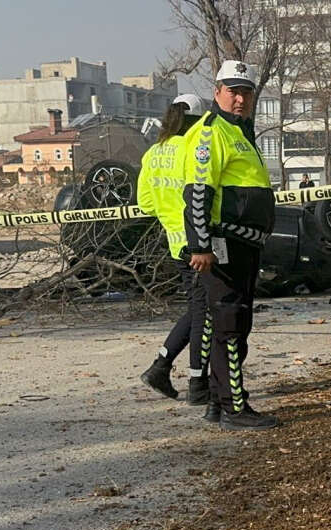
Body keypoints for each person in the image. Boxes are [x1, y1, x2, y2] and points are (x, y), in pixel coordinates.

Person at [182, 60, 279, 430]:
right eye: (233, 91)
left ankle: (221, 402)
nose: (240, 99)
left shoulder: (240, 131)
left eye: (246, 92)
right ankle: (235, 407)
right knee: (229, 323)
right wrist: (200, 246)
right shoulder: (212, 133)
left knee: (235, 323)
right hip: (222, 243)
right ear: (218, 92)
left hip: (244, 243)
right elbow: (198, 192)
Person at [137, 93, 210, 403]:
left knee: (197, 309)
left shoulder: (152, 153)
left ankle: (161, 367)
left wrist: (169, 213)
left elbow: (145, 203)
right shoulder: (192, 149)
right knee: (204, 314)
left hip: (175, 242)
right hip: (199, 243)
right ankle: (197, 384)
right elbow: (203, 194)